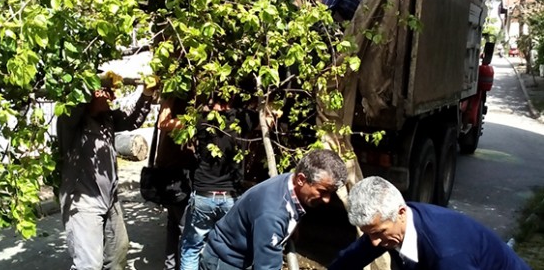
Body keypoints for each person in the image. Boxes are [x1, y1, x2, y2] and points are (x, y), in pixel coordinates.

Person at [57, 72, 156, 270]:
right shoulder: (71, 123)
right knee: (89, 265)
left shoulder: (107, 119)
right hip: (83, 203)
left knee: (118, 252)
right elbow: (75, 104)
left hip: (110, 200)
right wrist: (92, 81)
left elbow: (131, 120)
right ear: (93, 93)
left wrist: (146, 93)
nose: (112, 97)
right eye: (107, 92)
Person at [328, 176, 532, 270]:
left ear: (401, 213)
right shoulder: (387, 226)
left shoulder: (447, 255)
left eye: (378, 233)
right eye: (368, 233)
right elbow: (350, 259)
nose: (372, 242)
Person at [199, 149, 348, 270]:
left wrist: (290, 227)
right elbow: (267, 267)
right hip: (224, 262)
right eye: (322, 191)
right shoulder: (273, 214)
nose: (327, 199)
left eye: (331, 193)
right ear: (301, 179)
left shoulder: (289, 182)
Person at [180, 93, 261, 270]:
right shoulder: (243, 118)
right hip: (231, 196)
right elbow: (270, 118)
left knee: (191, 247)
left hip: (204, 194)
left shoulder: (201, 121)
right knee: (229, 248)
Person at [154, 96, 197, 270]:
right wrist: (191, 122)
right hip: (175, 171)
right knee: (184, 226)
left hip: (180, 170)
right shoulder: (176, 95)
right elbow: (162, 123)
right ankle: (177, 265)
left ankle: (170, 266)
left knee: (173, 222)